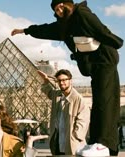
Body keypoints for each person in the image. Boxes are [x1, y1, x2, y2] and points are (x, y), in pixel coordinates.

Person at [11, 0, 123, 156]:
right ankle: (97, 142)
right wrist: (25, 30)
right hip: (95, 66)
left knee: (105, 102)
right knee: (99, 103)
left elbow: (101, 30)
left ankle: (104, 143)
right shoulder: (64, 25)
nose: (59, 9)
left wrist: (116, 43)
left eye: (61, 5)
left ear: (69, 4)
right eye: (56, 8)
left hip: (105, 61)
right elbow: (45, 30)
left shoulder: (82, 14)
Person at [37, 69, 90, 155]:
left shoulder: (79, 99)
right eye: (59, 81)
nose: (61, 83)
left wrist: (75, 136)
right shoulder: (57, 95)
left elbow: (83, 121)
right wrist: (46, 81)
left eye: (64, 80)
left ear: (70, 80)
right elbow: (49, 92)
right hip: (57, 143)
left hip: (72, 144)